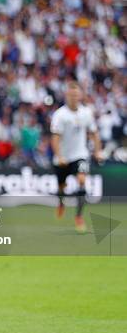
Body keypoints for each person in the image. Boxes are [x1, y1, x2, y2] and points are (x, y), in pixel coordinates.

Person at [50, 82, 102, 232]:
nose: (74, 97)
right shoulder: (60, 114)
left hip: (80, 154)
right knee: (61, 187)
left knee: (81, 180)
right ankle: (61, 203)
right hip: (62, 157)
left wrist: (98, 151)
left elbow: (94, 133)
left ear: (80, 95)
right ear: (67, 95)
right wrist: (59, 156)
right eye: (71, 94)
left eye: (76, 94)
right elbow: (55, 138)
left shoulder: (86, 113)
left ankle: (78, 217)